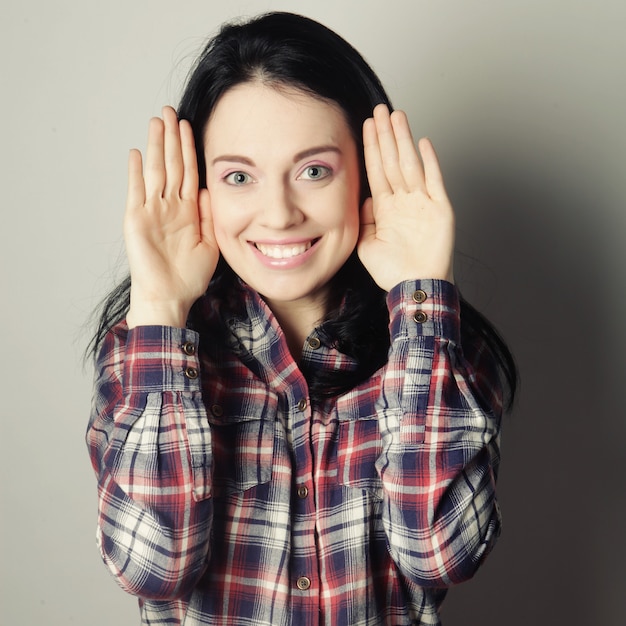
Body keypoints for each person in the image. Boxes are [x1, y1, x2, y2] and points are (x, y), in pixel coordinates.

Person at [87, 11, 517, 626]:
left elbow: (442, 553)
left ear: (364, 176)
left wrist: (421, 301)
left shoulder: (439, 345)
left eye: (314, 170)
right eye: (239, 176)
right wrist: (159, 307)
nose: (280, 213)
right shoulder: (141, 355)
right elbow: (151, 566)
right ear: (199, 188)